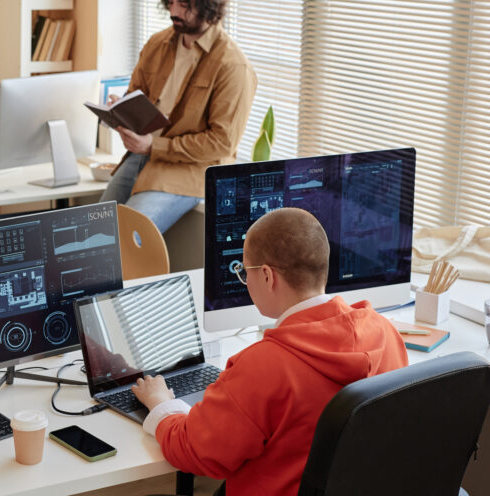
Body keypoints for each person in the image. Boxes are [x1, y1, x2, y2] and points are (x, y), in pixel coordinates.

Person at [131, 208, 408, 495]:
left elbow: (195, 452)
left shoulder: (263, 366)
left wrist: (162, 406)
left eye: (244, 271)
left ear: (266, 275)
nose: (245, 280)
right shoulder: (385, 333)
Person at [101, 0, 257, 233]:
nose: (174, 11)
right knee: (94, 228)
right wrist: (121, 110)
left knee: (129, 236)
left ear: (207, 5)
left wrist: (153, 147)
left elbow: (221, 142)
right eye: (170, 2)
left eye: (184, 4)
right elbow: (137, 96)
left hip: (191, 172)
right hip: (143, 157)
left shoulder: (232, 66)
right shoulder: (158, 44)